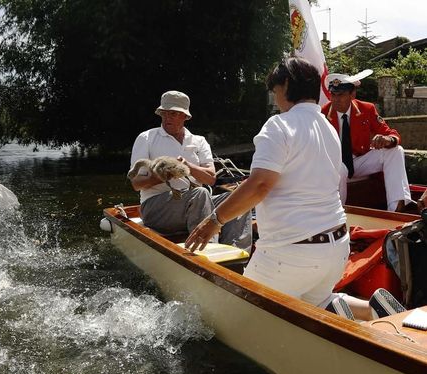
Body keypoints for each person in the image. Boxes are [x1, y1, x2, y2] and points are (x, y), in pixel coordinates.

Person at [185, 57, 404, 321]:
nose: (276, 98)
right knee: (318, 298)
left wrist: (214, 220)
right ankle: (370, 309)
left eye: (275, 91)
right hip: (336, 248)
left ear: (286, 84)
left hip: (290, 253)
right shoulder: (328, 128)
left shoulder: (278, 125)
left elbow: (260, 184)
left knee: (239, 313)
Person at [129, 91, 251, 251]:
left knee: (239, 198)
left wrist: (186, 166)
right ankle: (208, 251)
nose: (166, 118)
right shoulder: (146, 138)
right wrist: (164, 174)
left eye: (172, 114)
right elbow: (136, 184)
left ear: (185, 117)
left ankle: (237, 253)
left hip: (196, 202)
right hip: (155, 209)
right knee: (200, 194)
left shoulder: (199, 141)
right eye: (163, 114)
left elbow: (210, 179)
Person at [321, 71, 412, 212]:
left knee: (395, 150)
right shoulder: (322, 114)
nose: (336, 99)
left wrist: (387, 139)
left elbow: (391, 133)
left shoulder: (367, 109)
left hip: (360, 161)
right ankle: (337, 214)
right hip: (336, 164)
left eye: (341, 95)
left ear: (352, 95)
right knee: (340, 169)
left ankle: (396, 209)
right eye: (333, 95)